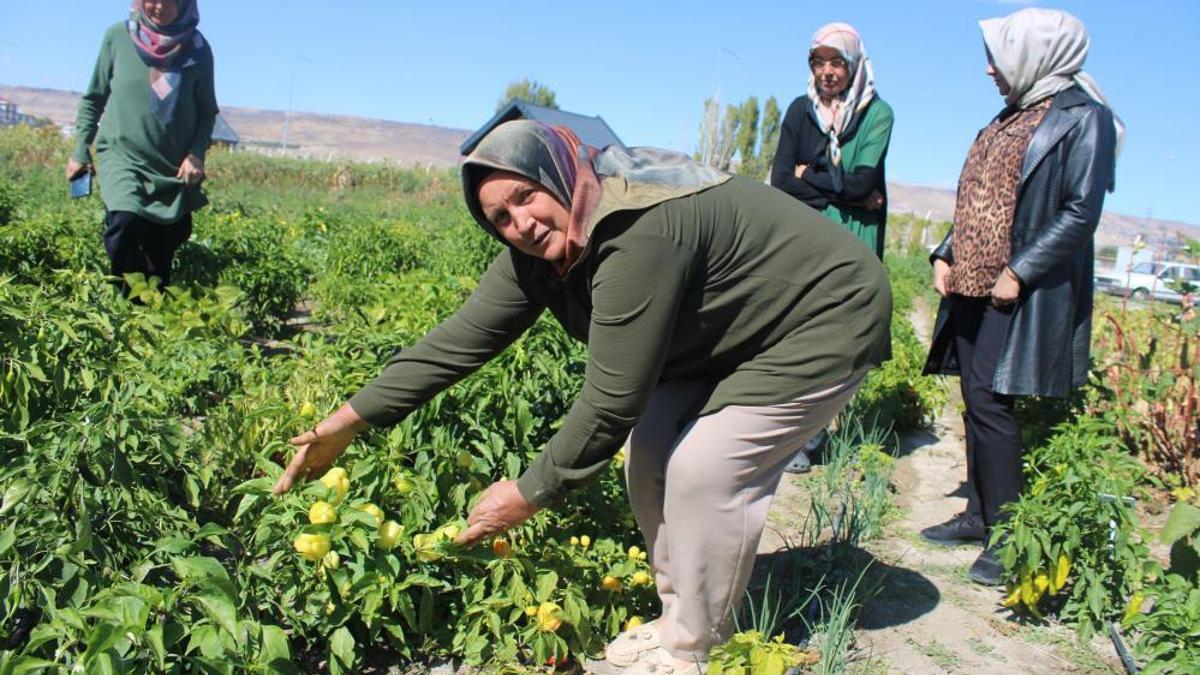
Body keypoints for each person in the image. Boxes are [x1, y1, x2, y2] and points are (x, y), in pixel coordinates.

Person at [272, 120, 892, 673]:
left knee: (707, 471)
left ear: (558, 174)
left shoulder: (634, 231)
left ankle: (695, 651)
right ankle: (680, 622)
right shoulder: (538, 252)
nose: (522, 223)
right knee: (650, 457)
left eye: (525, 196)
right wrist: (349, 421)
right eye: (500, 219)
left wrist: (528, 492)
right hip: (723, 331)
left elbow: (611, 401)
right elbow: (458, 341)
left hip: (821, 316)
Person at [920, 8, 1120, 586]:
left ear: (1040, 55)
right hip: (972, 280)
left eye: (1000, 58)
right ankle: (979, 515)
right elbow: (984, 195)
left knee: (991, 402)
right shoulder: (1011, 115)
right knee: (974, 398)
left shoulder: (1085, 119)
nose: (989, 70)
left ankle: (1008, 536)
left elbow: (1080, 211)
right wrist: (945, 250)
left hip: (1016, 288)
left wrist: (1022, 271)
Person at [770, 22, 894, 473]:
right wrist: (848, 195)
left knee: (837, 340)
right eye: (818, 62)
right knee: (795, 332)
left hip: (852, 242)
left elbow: (864, 179)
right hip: (804, 238)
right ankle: (789, 431)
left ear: (854, 64)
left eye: (836, 62)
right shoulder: (799, 112)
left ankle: (810, 437)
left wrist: (813, 178)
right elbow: (781, 182)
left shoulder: (876, 114)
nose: (827, 72)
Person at [67, 0, 217, 293]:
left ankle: (149, 319)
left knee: (160, 249)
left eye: (169, 1)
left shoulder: (198, 50)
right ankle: (127, 305)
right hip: (121, 153)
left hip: (170, 166)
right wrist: (80, 149)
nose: (159, 6)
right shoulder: (118, 37)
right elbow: (93, 98)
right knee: (125, 219)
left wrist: (196, 154)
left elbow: (206, 110)